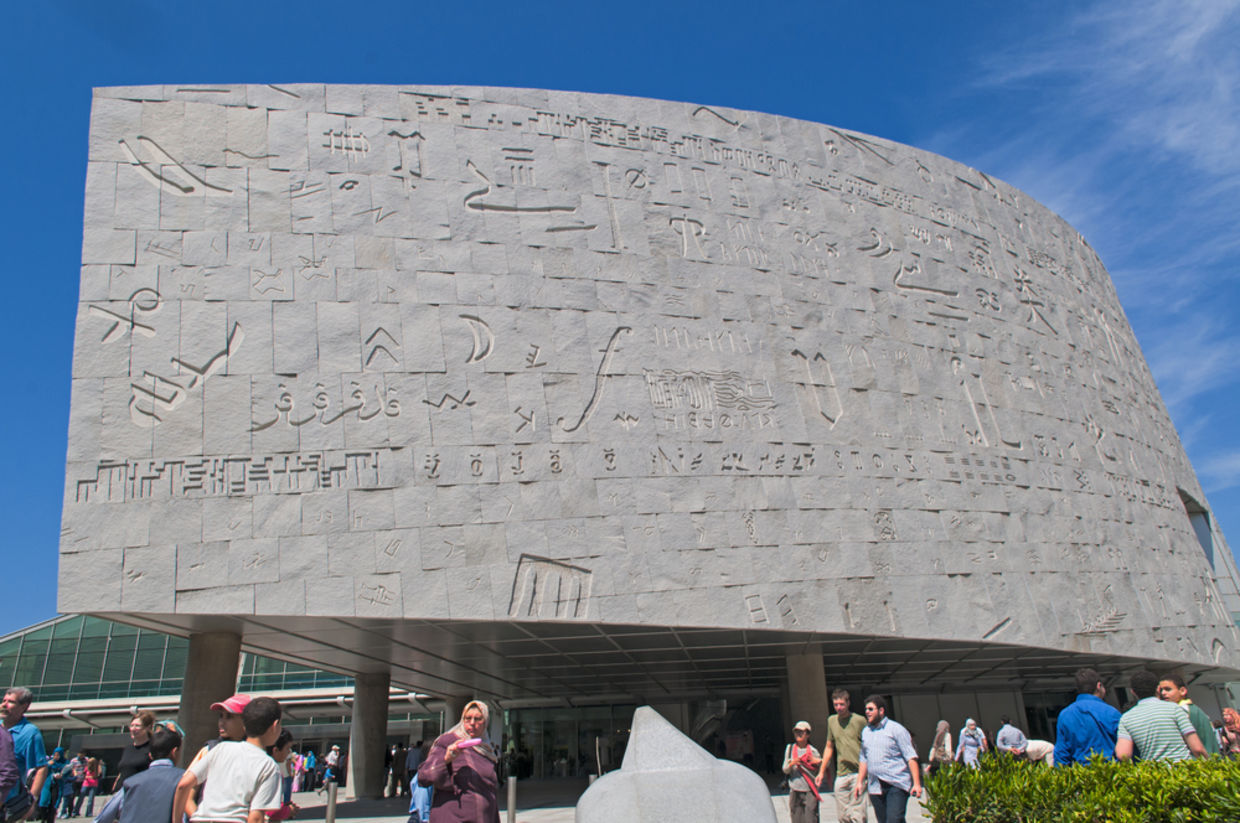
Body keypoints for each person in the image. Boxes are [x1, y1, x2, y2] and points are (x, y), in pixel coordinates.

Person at [173, 696, 284, 823]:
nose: (222, 722)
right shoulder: (268, 765)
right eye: (221, 716)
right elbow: (256, 818)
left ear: (245, 722)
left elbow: (183, 785)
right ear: (275, 726)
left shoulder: (218, 750)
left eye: (229, 716)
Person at [417, 700, 499, 823]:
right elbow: (424, 776)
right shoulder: (449, 741)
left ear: (486, 722)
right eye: (468, 718)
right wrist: (447, 759)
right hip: (453, 817)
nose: (472, 723)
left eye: (478, 719)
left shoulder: (486, 750)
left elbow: (489, 793)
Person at [94, 726, 183, 823]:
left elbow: (102, 818)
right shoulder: (184, 779)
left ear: (150, 755)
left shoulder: (130, 783)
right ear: (174, 752)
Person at [853, 696, 921, 823]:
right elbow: (864, 758)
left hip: (896, 783)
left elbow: (911, 757)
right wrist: (859, 782)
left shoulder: (896, 729)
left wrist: (916, 783)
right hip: (875, 786)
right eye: (866, 709)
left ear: (881, 711)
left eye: (871, 709)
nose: (867, 712)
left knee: (894, 820)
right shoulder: (866, 732)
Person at [1115, 669, 1206, 762]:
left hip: (1155, 773)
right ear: (1158, 689)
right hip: (1182, 769)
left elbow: (1123, 754)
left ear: (1133, 692)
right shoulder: (1174, 709)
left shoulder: (1126, 718)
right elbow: (1197, 749)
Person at [815, 690, 866, 823]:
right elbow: (829, 746)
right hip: (841, 773)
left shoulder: (859, 721)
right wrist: (821, 772)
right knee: (843, 816)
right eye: (836, 704)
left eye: (842, 704)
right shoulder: (832, 721)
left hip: (857, 772)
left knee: (858, 816)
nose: (839, 707)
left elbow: (868, 747)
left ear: (848, 703)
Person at [1054, 667, 1121, 765]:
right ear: (1099, 685)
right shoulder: (1111, 712)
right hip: (1111, 771)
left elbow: (1061, 754)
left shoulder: (1065, 714)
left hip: (1081, 775)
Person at [1, 687, 48, 823]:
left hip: (7, 803)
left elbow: (41, 768)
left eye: (11, 702)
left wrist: (32, 800)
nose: (4, 704)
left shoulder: (29, 733)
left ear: (24, 707)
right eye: (4, 700)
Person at [1157, 673, 1221, 756]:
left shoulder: (1182, 711)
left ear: (1182, 691)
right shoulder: (1194, 709)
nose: (1163, 693)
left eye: (1168, 689)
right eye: (1161, 690)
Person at [781, 721, 821, 823]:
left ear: (807, 734)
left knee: (811, 818)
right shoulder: (790, 749)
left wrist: (819, 761)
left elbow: (822, 769)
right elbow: (785, 769)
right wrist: (792, 763)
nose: (798, 734)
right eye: (796, 732)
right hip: (795, 789)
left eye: (801, 732)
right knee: (796, 818)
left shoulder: (813, 751)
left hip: (809, 790)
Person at [406, 743, 431, 823]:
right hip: (420, 817)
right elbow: (422, 802)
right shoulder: (427, 774)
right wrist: (425, 819)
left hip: (412, 769)